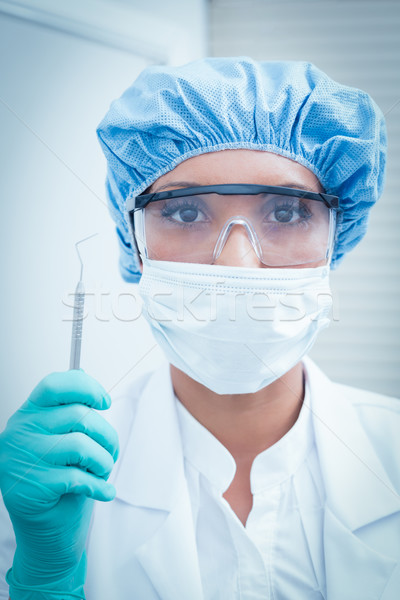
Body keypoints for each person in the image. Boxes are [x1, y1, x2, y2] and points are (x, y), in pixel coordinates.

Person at [0, 57, 399, 600]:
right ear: (135, 241)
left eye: (285, 213)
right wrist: (44, 577)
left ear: (335, 237)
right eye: (186, 213)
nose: (237, 266)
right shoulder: (47, 485)